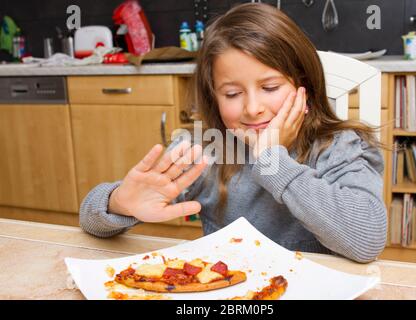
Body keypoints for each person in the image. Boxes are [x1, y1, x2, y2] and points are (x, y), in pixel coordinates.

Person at [80, 3, 387, 263]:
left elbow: (367, 241)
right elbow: (89, 217)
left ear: (302, 85)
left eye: (269, 88)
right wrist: (119, 202)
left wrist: (273, 162)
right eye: (231, 94)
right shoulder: (205, 149)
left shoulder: (342, 147)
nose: (252, 108)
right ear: (214, 96)